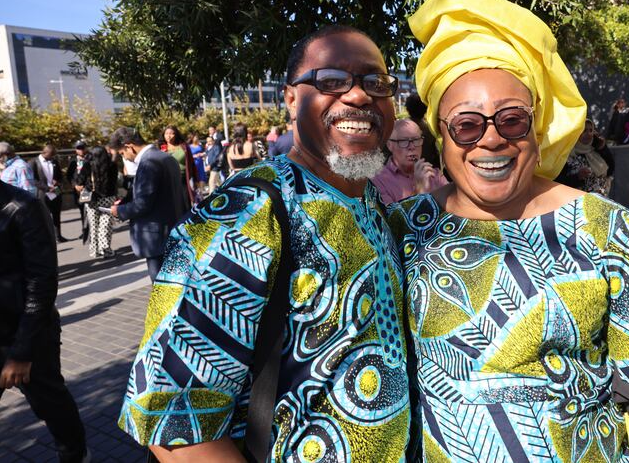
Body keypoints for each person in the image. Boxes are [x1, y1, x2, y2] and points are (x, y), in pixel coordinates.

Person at [393, 0, 629, 461]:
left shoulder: (614, 233)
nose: (490, 140)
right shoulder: (401, 229)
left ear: (537, 123)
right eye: (466, 124)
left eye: (511, 119)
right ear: (439, 137)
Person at [117, 25, 409, 461]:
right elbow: (174, 421)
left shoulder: (369, 200)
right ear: (291, 99)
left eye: (375, 82)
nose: (359, 96)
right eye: (330, 80)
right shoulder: (246, 210)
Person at [0, 175, 88, 462]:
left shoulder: (21, 206)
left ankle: (76, 454)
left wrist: (22, 352)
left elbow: (41, 283)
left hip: (25, 334)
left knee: (51, 404)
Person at [108, 127, 189, 282]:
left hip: (156, 236)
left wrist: (120, 210)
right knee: (175, 286)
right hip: (173, 229)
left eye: (122, 154)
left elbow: (143, 204)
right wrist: (126, 200)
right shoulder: (166, 157)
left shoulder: (148, 163)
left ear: (128, 146)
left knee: (162, 288)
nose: (124, 158)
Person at [372, 118, 447, 204]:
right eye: (404, 141)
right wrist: (419, 191)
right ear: (390, 145)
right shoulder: (378, 181)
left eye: (416, 140)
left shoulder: (435, 175)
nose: (412, 147)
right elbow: (392, 217)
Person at [76, 146, 118, 259]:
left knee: (93, 225)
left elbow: (79, 180)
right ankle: (105, 249)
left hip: (92, 198)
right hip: (108, 198)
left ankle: (94, 251)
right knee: (106, 225)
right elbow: (115, 182)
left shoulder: (87, 165)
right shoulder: (112, 165)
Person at [555, 118, 614, 195]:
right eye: (584, 130)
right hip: (578, 202)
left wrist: (603, 148)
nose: (588, 134)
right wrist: (577, 177)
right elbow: (559, 182)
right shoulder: (567, 154)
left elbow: (610, 169)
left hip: (601, 200)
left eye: (590, 130)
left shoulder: (596, 149)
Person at [30, 144, 68, 242]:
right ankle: (46, 238)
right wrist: (46, 188)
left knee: (57, 214)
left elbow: (60, 176)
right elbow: (33, 180)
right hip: (43, 193)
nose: (52, 157)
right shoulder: (33, 162)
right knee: (44, 216)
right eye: (51, 155)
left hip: (56, 191)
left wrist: (58, 181)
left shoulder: (54, 161)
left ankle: (58, 236)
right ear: (44, 153)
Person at [159, 125, 197, 205]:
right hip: (168, 182)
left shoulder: (184, 147)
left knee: (185, 204)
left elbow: (192, 163)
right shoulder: (161, 148)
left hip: (183, 180)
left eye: (171, 133)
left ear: (176, 135)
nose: (168, 136)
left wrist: (197, 179)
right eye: (166, 134)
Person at [404, 93, 441, 168]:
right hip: (425, 170)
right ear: (425, 109)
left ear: (407, 108)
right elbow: (434, 155)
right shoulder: (430, 130)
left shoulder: (398, 128)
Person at [66, 141, 90, 240]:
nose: (80, 150)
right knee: (82, 210)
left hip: (88, 188)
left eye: (82, 148)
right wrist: (75, 185)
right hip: (77, 190)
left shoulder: (90, 159)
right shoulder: (73, 161)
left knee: (90, 210)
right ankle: (84, 231)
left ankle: (91, 231)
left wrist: (86, 186)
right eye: (78, 148)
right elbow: (69, 175)